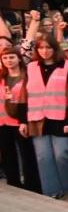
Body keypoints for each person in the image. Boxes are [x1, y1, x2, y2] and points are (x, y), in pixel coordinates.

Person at [26, 35, 68, 198]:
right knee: (44, 157)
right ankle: (52, 191)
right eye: (41, 48)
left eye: (48, 47)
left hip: (61, 118)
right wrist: (23, 121)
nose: (44, 51)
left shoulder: (66, 66)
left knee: (62, 155)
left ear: (55, 49)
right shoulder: (31, 67)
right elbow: (25, 94)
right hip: (37, 119)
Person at [0, 46, 40, 192]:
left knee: (27, 153)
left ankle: (32, 185)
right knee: (7, 154)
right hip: (2, 122)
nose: (8, 61)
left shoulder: (26, 77)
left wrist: (25, 120)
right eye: (5, 58)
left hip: (21, 121)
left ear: (18, 58)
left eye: (11, 57)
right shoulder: (1, 77)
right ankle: (13, 183)